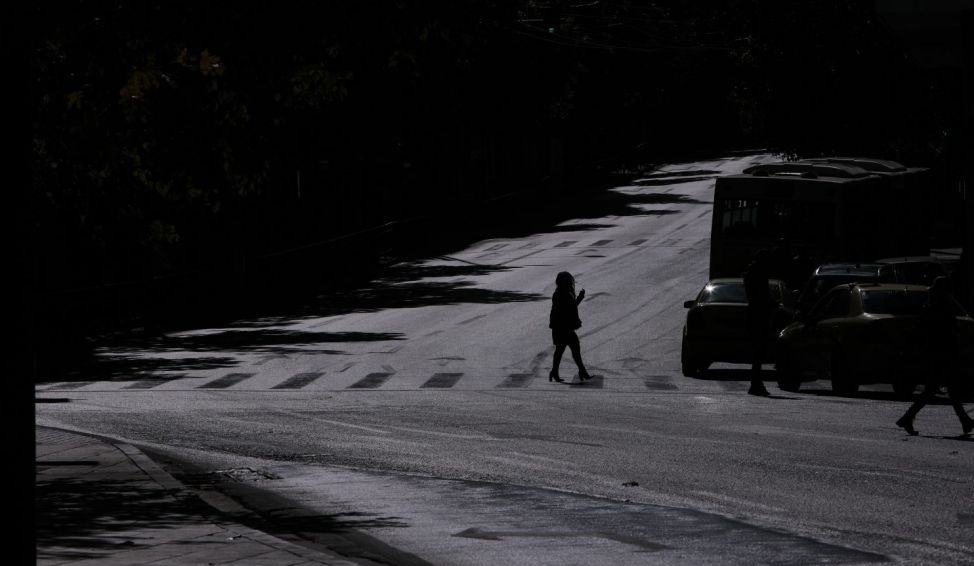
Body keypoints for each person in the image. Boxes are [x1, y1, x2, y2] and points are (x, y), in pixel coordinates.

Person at [895, 276, 974, 436]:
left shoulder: (934, 308)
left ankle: (909, 417)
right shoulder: (941, 309)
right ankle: (963, 420)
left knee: (938, 389)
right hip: (941, 354)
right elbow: (949, 334)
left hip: (936, 354)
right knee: (944, 388)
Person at [548, 271, 591, 383]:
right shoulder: (562, 294)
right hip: (563, 327)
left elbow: (571, 307)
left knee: (561, 350)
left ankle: (555, 372)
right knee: (573, 349)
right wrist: (579, 298)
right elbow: (569, 308)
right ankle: (582, 372)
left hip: (561, 327)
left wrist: (579, 298)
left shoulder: (561, 292)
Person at [743, 249, 774, 396]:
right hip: (758, 313)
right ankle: (756, 383)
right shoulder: (758, 273)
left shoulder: (752, 272)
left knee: (757, 351)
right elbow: (762, 294)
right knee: (758, 350)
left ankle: (756, 382)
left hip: (755, 312)